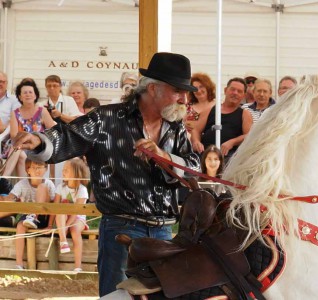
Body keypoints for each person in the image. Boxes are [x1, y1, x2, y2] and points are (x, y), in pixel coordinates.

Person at [12, 52, 200, 296]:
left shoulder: (175, 126)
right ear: (153, 88)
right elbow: (69, 136)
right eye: (178, 90)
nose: (185, 98)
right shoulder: (106, 118)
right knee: (116, 296)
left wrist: (164, 158)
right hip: (122, 229)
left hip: (164, 232)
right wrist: (38, 141)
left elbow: (193, 168)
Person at [0, 159, 55, 269]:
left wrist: (50, 225)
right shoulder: (22, 184)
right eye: (34, 167)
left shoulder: (48, 184)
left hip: (44, 215)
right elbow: (10, 198)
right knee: (20, 226)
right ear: (27, 170)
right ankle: (19, 264)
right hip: (27, 218)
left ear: (45, 169)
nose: (37, 170)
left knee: (42, 187)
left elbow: (54, 206)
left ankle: (34, 215)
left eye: (40, 167)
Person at [191, 77, 253, 162]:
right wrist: (196, 142)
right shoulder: (210, 110)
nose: (235, 93)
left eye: (239, 91)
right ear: (225, 90)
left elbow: (248, 135)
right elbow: (196, 131)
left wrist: (232, 142)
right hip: (204, 153)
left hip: (228, 157)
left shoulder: (245, 114)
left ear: (244, 95)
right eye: (232, 89)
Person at [2, 81, 56, 178]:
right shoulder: (15, 113)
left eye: (30, 92)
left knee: (20, 153)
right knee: (20, 152)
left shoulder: (42, 111)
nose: (28, 95)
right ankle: (12, 181)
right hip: (20, 146)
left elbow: (53, 131)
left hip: (38, 147)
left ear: (35, 95)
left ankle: (5, 179)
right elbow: (14, 137)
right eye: (25, 92)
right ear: (20, 96)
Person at [50, 157, 90, 272]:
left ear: (76, 173)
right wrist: (49, 224)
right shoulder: (60, 188)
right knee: (61, 211)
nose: (63, 172)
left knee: (75, 231)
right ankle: (63, 241)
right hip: (62, 218)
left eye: (66, 170)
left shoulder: (82, 190)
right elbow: (55, 208)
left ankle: (78, 266)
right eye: (63, 169)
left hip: (78, 218)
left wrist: (66, 226)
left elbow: (77, 211)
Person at [0, 72, 21, 136]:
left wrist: (4, 129)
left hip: (5, 137)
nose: (0, 84)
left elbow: (18, 120)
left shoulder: (15, 100)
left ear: (6, 83)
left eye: (2, 82)